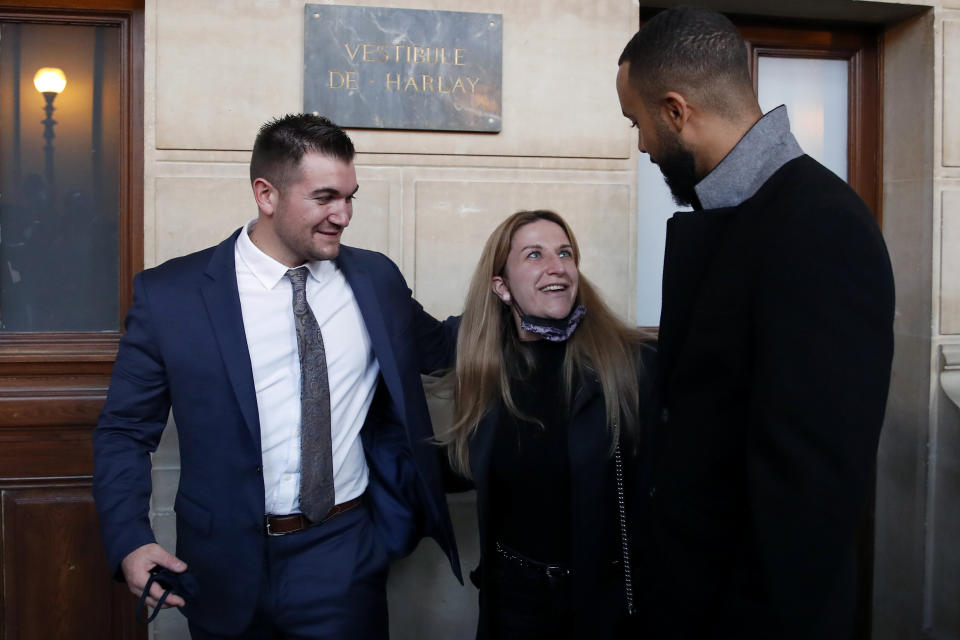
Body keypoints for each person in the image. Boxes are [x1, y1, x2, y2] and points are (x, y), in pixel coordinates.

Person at [93, 113, 460, 639]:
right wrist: (129, 537)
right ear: (266, 195)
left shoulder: (375, 279)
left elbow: (440, 347)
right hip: (223, 562)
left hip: (344, 553)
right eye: (326, 197)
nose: (344, 214)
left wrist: (524, 304)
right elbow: (125, 430)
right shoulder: (171, 295)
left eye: (351, 196)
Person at [615, 8, 895, 639]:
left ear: (676, 111)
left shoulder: (824, 228)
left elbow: (809, 494)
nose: (640, 144)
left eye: (638, 123)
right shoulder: (740, 212)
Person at [436, 209, 656, 639]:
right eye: (534, 255)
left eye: (565, 253)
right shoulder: (489, 370)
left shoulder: (631, 365)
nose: (556, 266)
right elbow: (465, 466)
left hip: (602, 605)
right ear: (501, 286)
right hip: (512, 604)